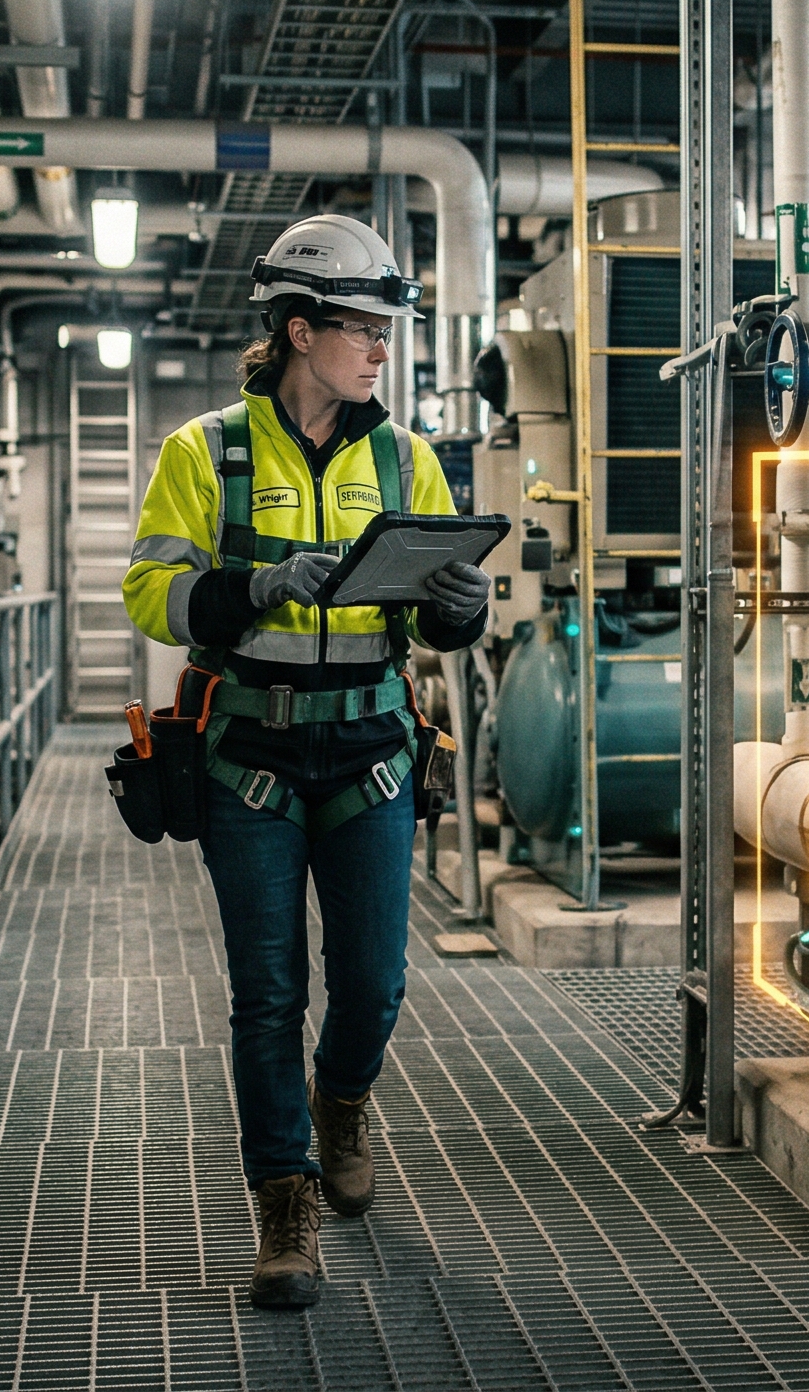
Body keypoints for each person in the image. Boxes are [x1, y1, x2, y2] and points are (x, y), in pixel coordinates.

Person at [122, 215, 492, 1309]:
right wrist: (253, 587)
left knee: (373, 981)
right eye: (362, 328)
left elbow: (429, 625)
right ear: (298, 329)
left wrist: (462, 612)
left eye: (384, 330)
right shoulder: (207, 453)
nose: (380, 349)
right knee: (267, 991)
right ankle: (281, 1204)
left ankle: (344, 1104)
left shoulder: (404, 456)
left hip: (372, 743)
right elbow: (150, 592)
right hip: (253, 753)